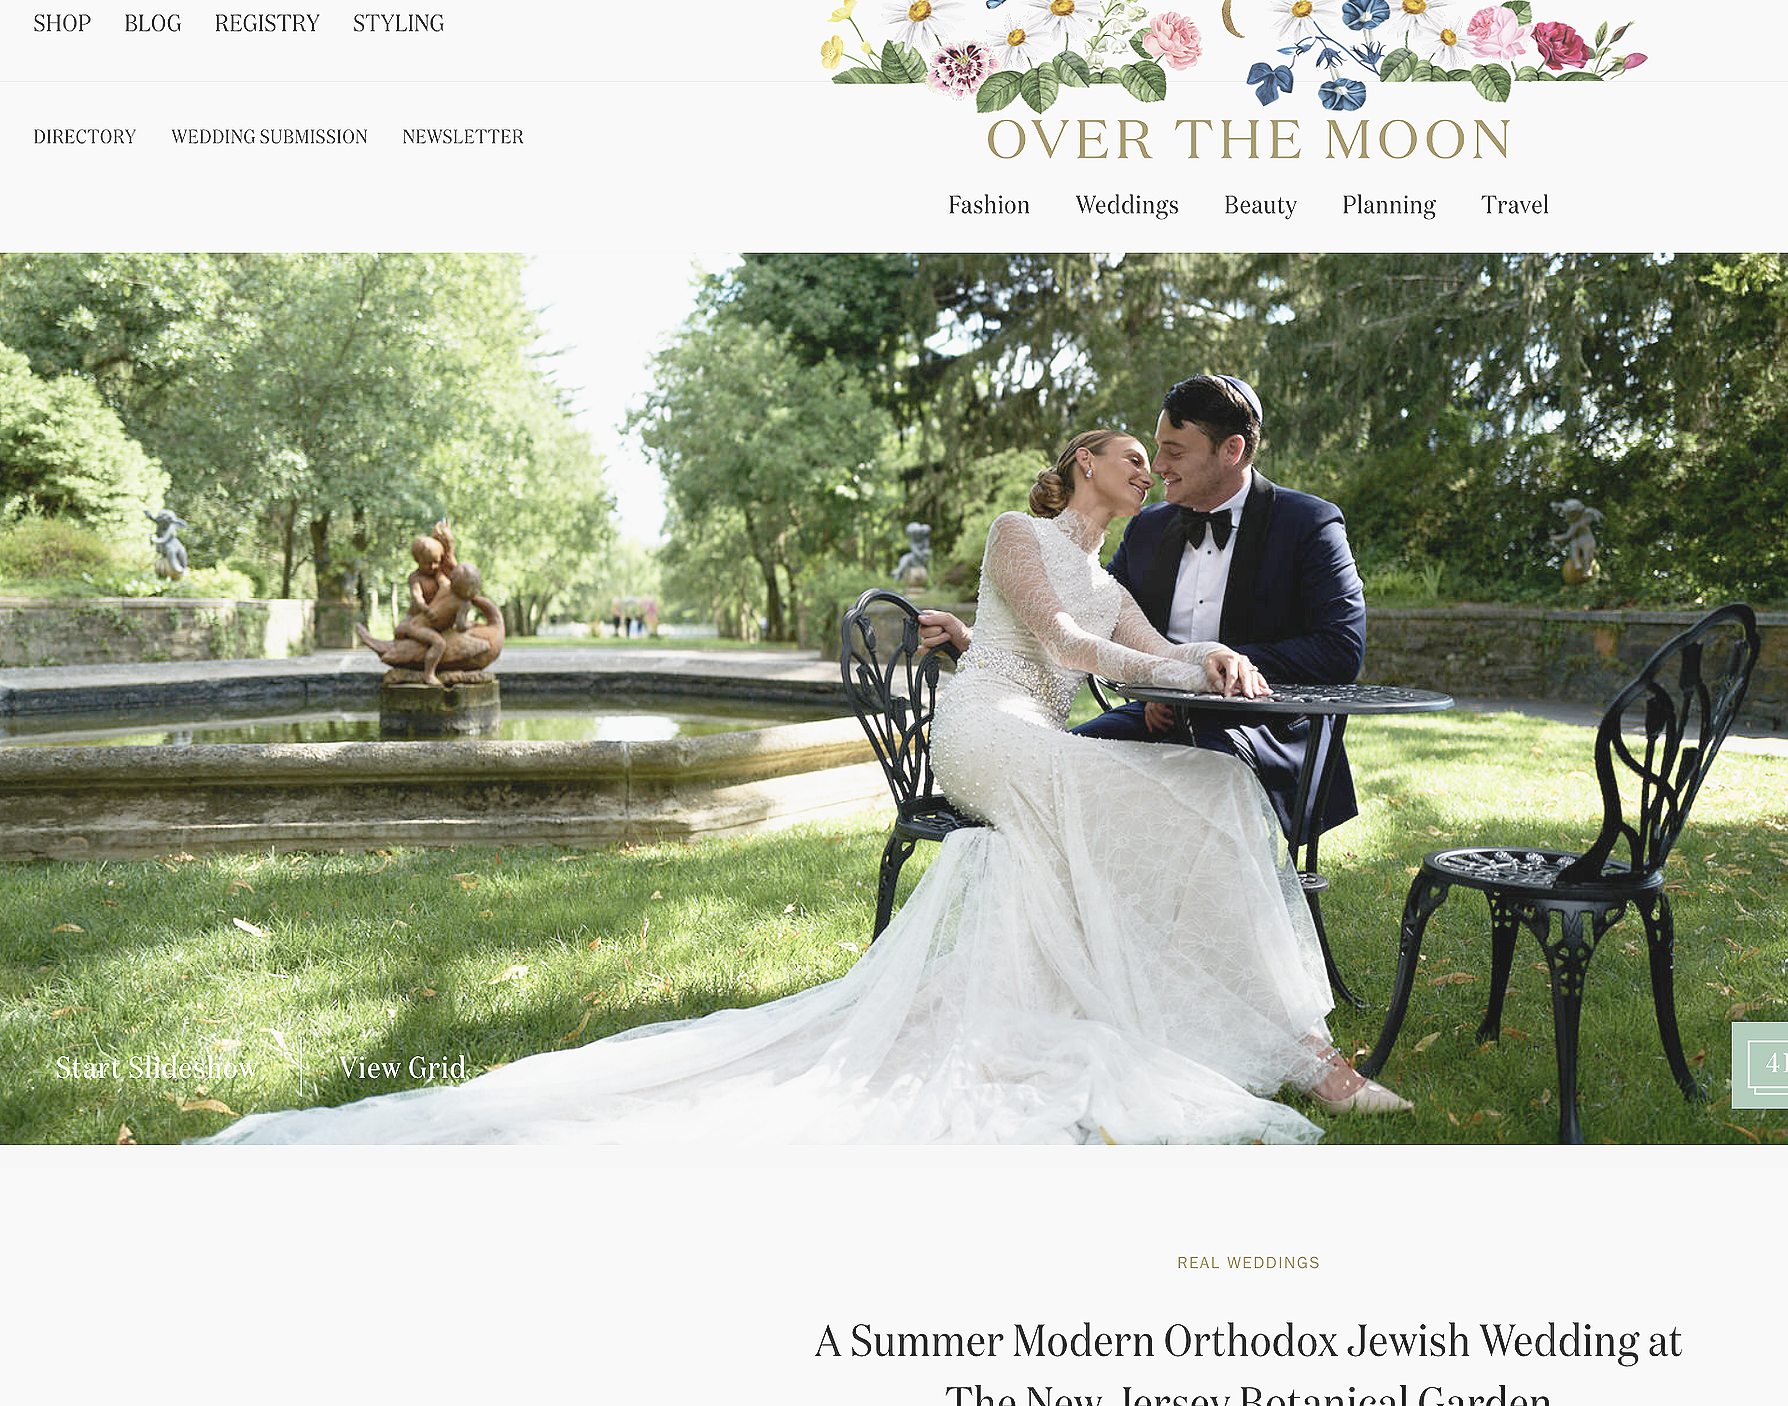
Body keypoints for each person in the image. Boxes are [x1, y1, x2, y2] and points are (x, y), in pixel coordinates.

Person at [203, 428, 1405, 1146]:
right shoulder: (1013, 533)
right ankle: (1278, 1047)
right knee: (1149, 794)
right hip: (986, 731)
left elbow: (1139, 642)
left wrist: (1215, 661)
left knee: (1212, 787)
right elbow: (1083, 654)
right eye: (1129, 454)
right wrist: (1159, 659)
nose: (1147, 469)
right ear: (1077, 464)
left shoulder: (1114, 562)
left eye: (1158, 460)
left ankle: (1280, 1032)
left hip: (1045, 733)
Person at [925, 373, 1368, 843]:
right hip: (1150, 713)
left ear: (1231, 451)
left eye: (1174, 452)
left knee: (1204, 784)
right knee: (1090, 770)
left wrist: (1215, 672)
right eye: (1151, 451)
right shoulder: (1147, 529)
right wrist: (977, 640)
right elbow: (1076, 626)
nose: (1157, 467)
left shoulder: (1308, 522)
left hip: (1259, 721)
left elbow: (1339, 650)